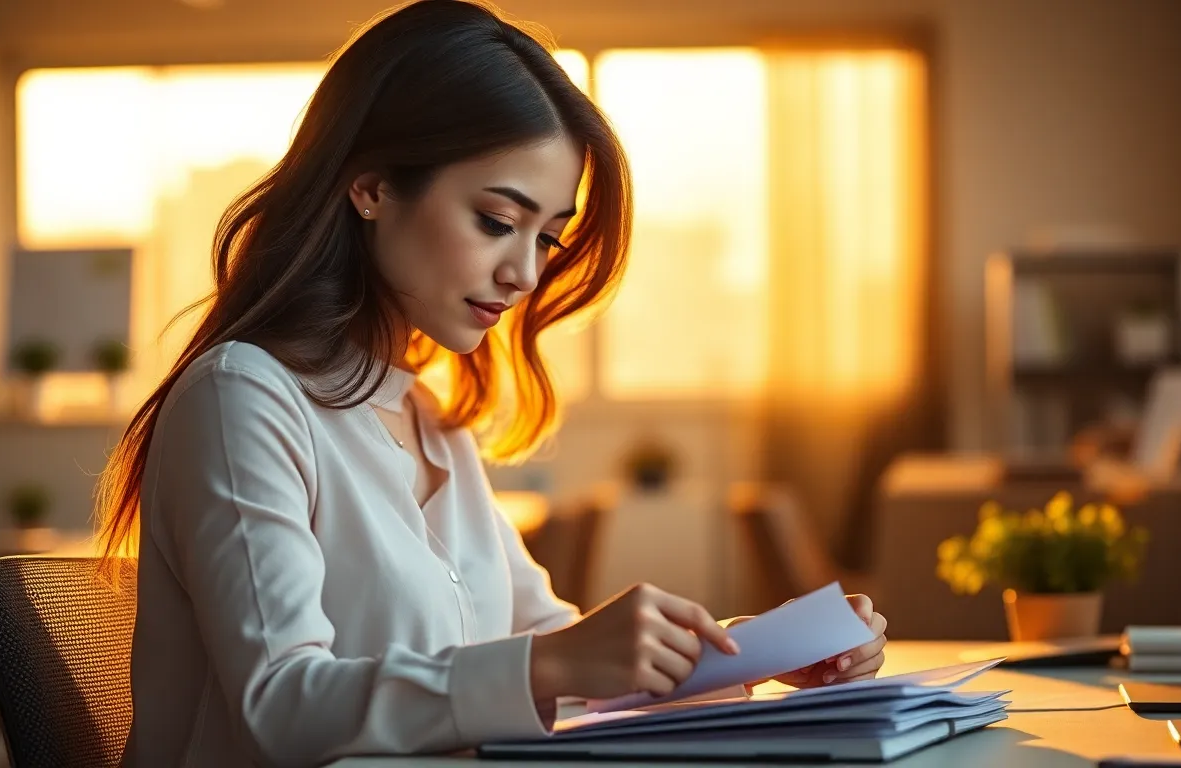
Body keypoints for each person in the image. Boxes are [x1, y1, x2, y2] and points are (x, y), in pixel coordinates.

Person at [96, 1, 888, 765]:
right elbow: (281, 707)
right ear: (370, 186)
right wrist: (551, 663)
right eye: (496, 221)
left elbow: (566, 658)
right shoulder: (242, 397)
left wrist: (754, 649)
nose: (524, 273)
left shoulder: (429, 415)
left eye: (547, 236)